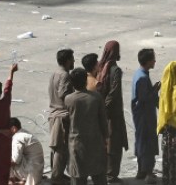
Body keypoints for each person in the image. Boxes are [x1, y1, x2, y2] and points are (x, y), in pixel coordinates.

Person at [66, 67, 110, 185]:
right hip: (95, 143)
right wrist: (106, 139)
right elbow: (103, 121)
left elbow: (67, 122)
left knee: (78, 178)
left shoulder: (69, 99)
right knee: (99, 177)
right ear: (86, 80)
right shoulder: (96, 97)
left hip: (77, 145)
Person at [93, 41, 127, 183]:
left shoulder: (100, 67)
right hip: (113, 114)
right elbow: (114, 92)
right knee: (114, 144)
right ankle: (111, 174)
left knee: (105, 143)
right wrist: (106, 107)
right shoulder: (115, 70)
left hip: (102, 111)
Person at [131, 48, 159, 183]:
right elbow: (144, 98)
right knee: (146, 143)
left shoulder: (140, 73)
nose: (155, 61)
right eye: (153, 59)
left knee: (142, 141)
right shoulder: (142, 77)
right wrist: (155, 90)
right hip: (144, 116)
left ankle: (142, 170)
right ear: (148, 61)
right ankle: (146, 171)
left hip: (142, 115)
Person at [49, 49, 76, 185]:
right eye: (72, 59)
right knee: (61, 148)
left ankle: (58, 174)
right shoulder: (65, 75)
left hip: (54, 115)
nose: (74, 61)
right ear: (67, 61)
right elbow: (63, 95)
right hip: (62, 116)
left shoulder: (55, 73)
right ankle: (56, 177)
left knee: (57, 147)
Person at [9, 118, 45, 185]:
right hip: (37, 171)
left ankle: (14, 181)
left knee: (6, 158)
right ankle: (19, 180)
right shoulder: (24, 132)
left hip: (31, 173)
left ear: (13, 128)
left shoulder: (17, 138)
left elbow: (15, 160)